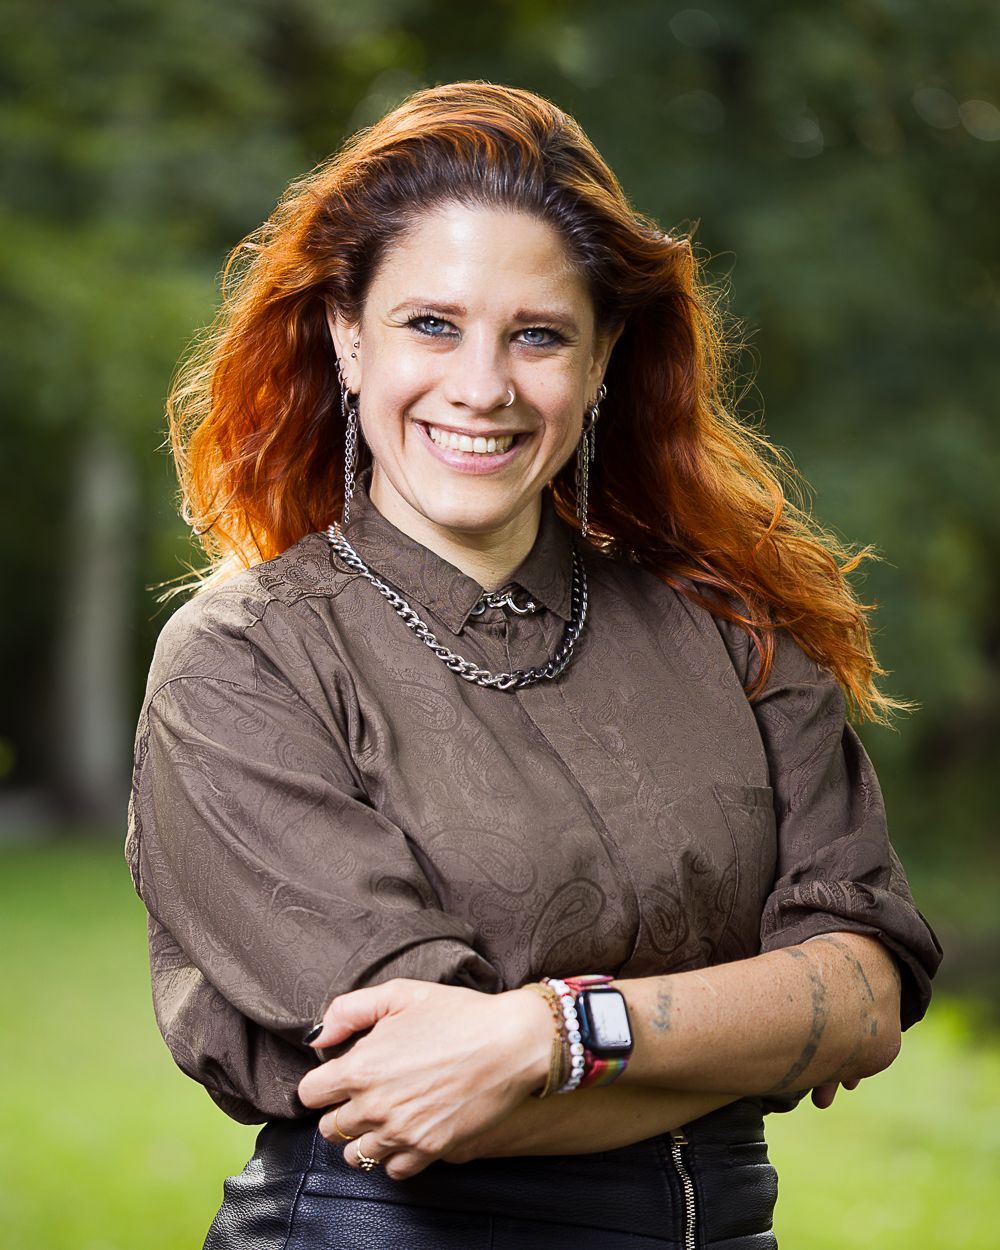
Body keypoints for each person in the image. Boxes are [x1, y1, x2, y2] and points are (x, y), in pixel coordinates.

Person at [125, 81, 943, 1249]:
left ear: (603, 355)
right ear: (346, 336)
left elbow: (865, 995)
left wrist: (544, 1033)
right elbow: (414, 1085)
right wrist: (739, 1021)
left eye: (539, 334)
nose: (483, 386)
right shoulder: (245, 662)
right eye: (431, 324)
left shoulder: (730, 626)